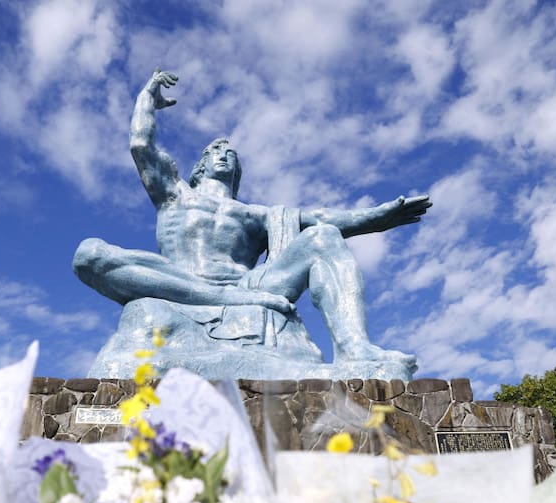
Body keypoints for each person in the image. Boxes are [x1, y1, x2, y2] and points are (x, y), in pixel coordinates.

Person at [74, 70, 428, 368]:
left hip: (250, 287)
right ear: (199, 167)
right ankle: (215, 300)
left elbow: (321, 217)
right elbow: (141, 146)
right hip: (181, 279)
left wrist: (378, 218)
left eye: (230, 153)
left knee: (323, 237)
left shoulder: (256, 215)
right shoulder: (175, 194)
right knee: (89, 254)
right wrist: (147, 98)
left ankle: (354, 348)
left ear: (238, 172)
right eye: (214, 151)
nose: (223, 155)